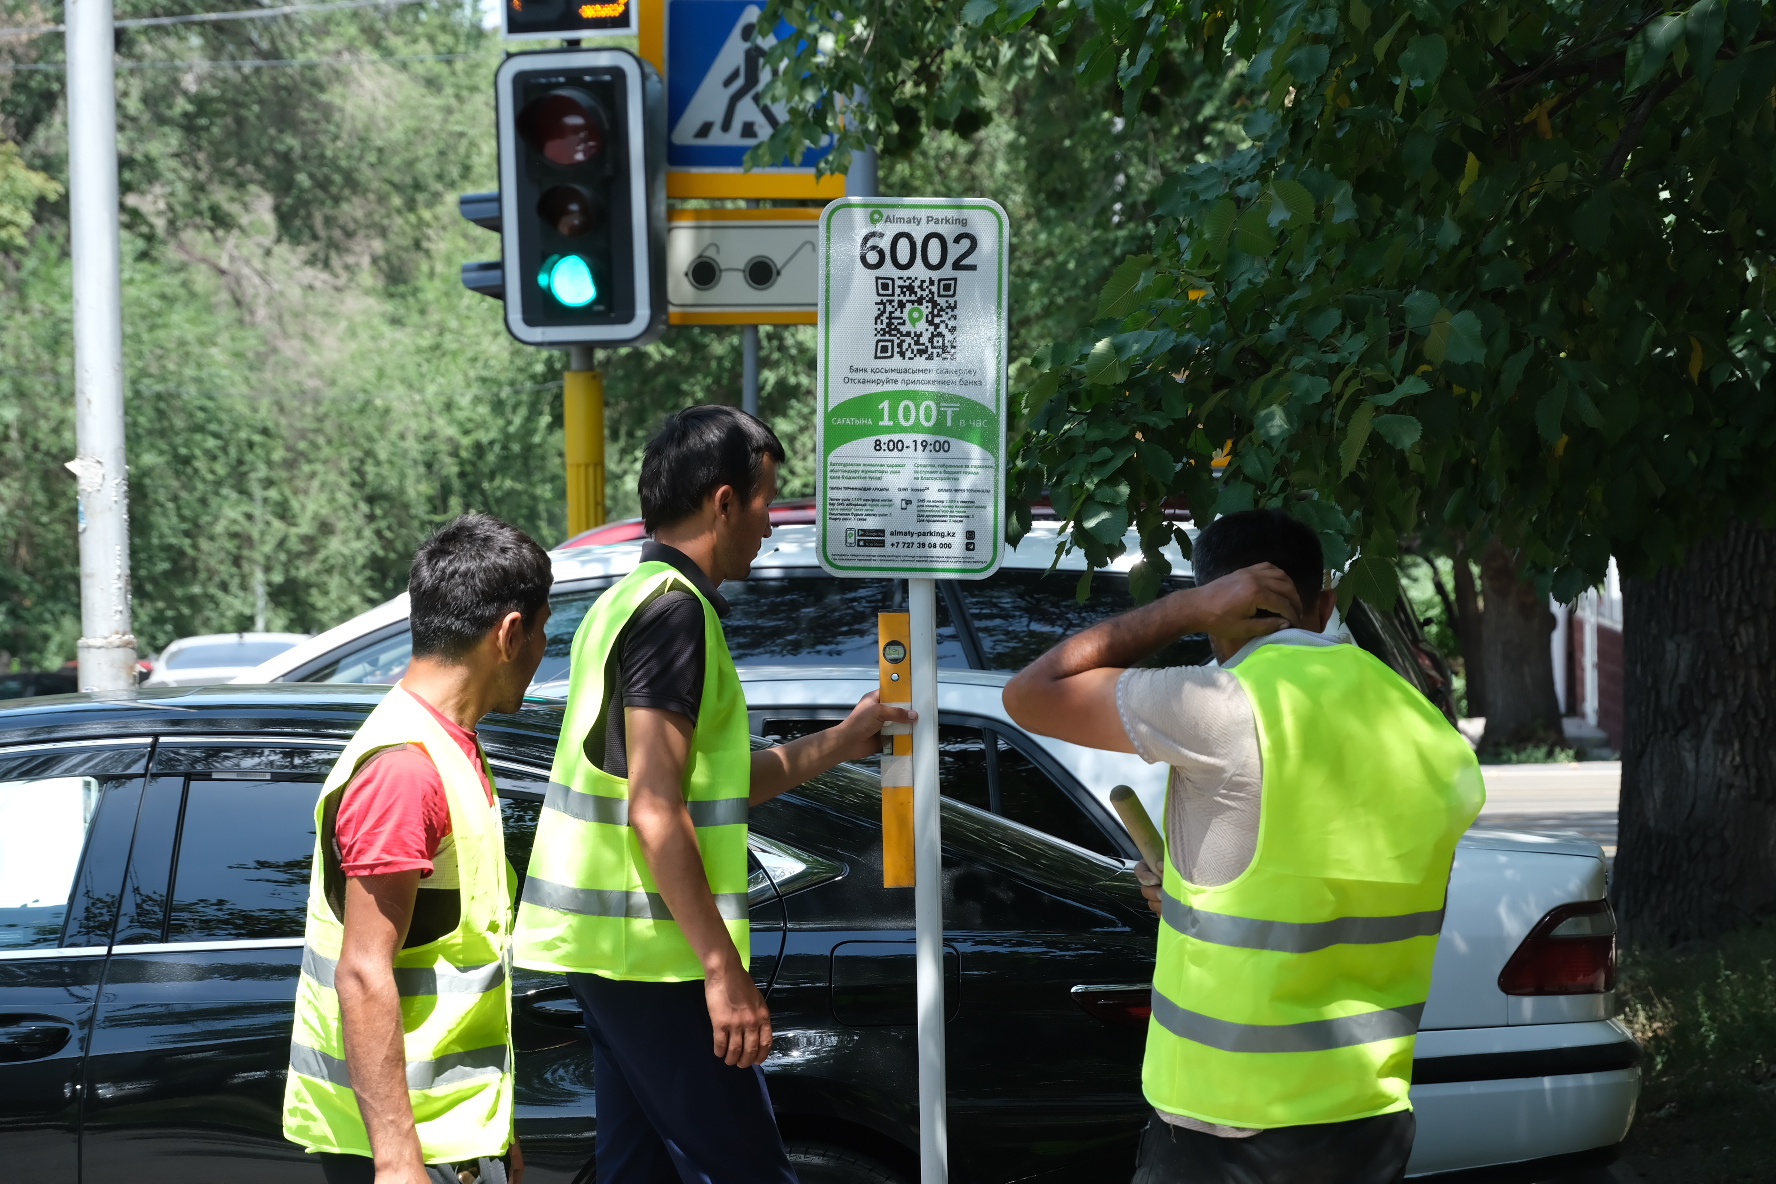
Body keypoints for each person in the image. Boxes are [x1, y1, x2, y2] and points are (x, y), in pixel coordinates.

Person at [1003, 509, 1483, 1184]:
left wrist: (1183, 608)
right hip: (1368, 1116)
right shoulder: (1426, 730)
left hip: (1229, 1124)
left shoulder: (1225, 703)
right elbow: (1330, 889)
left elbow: (1030, 694)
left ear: (1215, 606)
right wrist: (1194, 897)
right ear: (1329, 601)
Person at [512, 405, 913, 1184]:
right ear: (724, 501)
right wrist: (722, 971)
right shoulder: (674, 615)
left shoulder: (628, 600)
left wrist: (841, 740)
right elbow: (655, 807)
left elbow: (714, 787)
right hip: (655, 960)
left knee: (640, 1173)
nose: (770, 524)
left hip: (615, 955)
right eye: (766, 500)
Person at [284, 513, 555, 1184]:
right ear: (510, 633)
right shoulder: (406, 769)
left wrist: (497, 1133)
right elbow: (363, 972)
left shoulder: (450, 747)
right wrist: (399, 1160)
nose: (545, 646)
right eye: (544, 628)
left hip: (456, 1141)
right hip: (412, 1156)